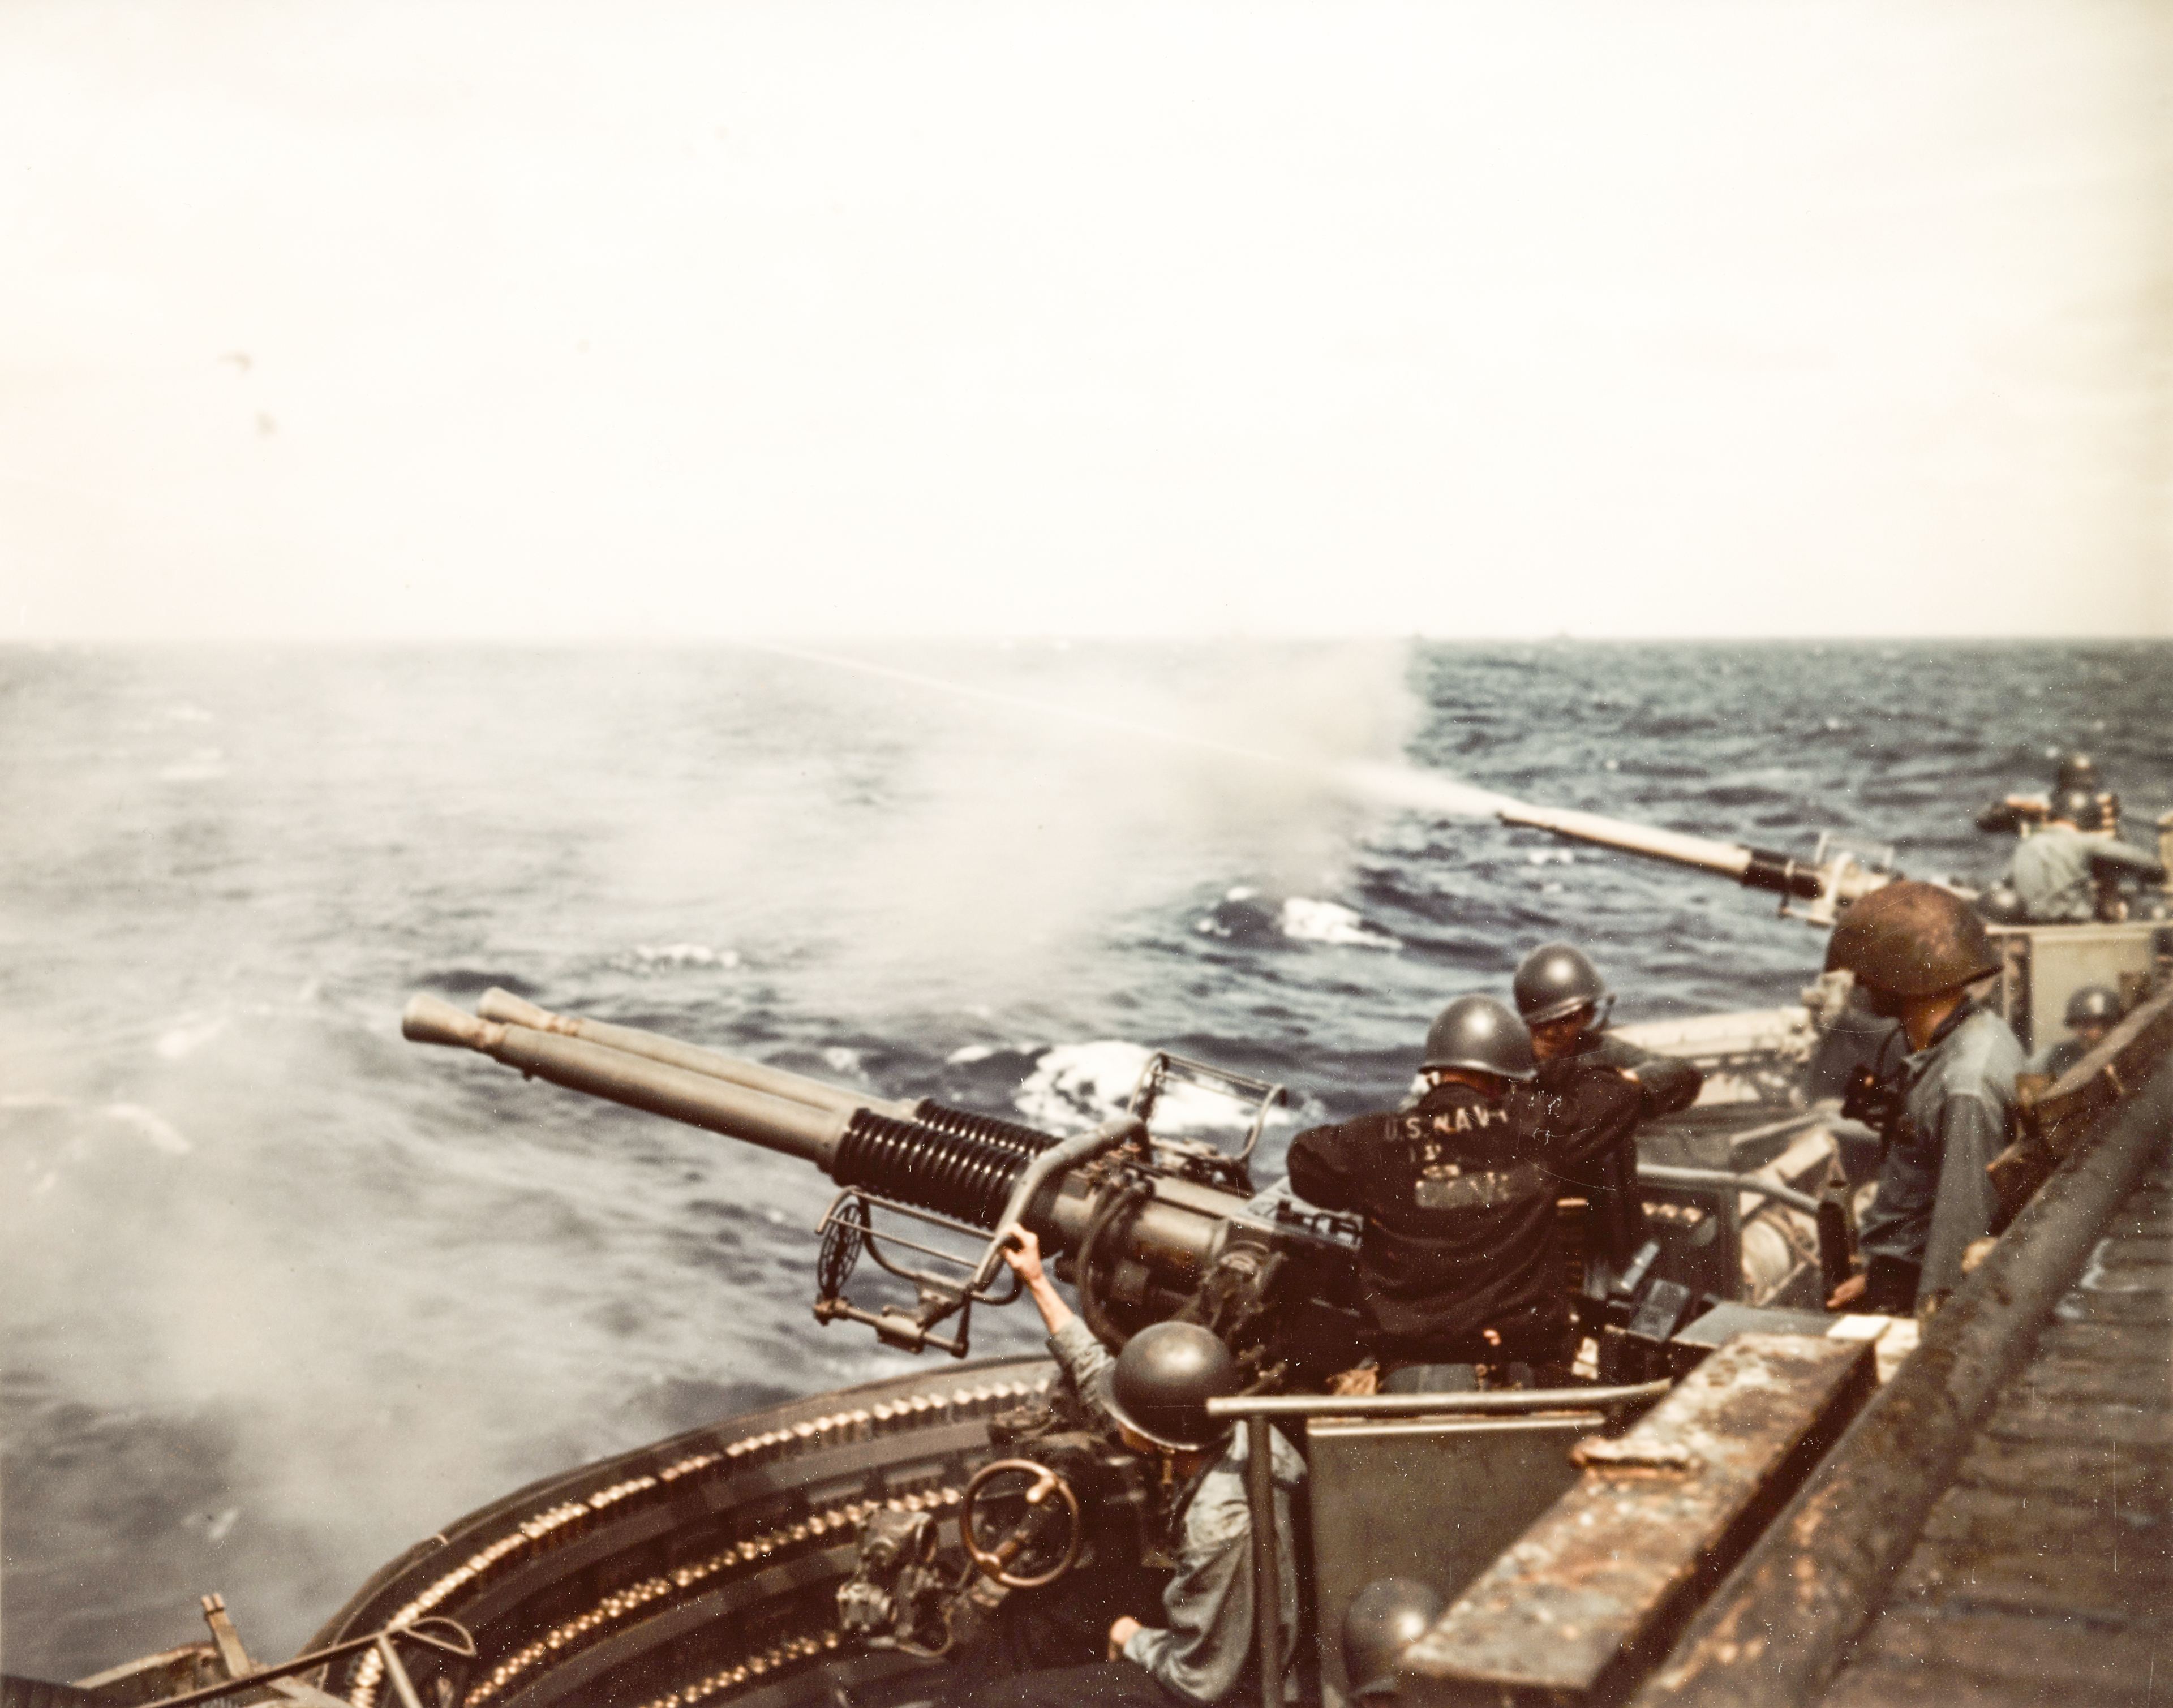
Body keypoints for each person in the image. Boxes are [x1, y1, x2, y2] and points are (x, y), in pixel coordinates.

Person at [959, 1231, 1303, 1708]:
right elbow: (1099, 1374)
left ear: (1159, 1438)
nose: (1114, 1417)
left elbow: (1199, 1680)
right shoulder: (1221, 1425)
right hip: (1229, 1627)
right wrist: (1037, 1280)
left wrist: (1131, 1637)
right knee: (1037, 1613)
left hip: (1237, 1687)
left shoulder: (1219, 1522)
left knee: (1006, 1703)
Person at [1285, 995, 1640, 1392]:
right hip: (1519, 1382)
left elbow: (1305, 1157)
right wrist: (1553, 1071)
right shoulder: (1536, 1124)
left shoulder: (1372, 1144)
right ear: (1503, 1078)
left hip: (1408, 1383)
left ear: (1435, 1072)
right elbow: (1619, 1096)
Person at [1822, 881, 2024, 1318]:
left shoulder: (1966, 1084)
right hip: (1900, 1276)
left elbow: (1962, 1243)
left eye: (1869, 973)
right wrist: (1879, 1275)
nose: (1861, 981)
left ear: (1905, 979)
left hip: (1924, 1298)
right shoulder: (1968, 1040)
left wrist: (1928, 1328)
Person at [1513, 941, 1704, 1285]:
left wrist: (1630, 1086)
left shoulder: (1599, 1053)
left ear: (1586, 1017)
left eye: (1567, 1020)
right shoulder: (1510, 1062)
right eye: (1543, 1023)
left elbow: (1683, 1075)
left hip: (1606, 1228)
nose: (1554, 1032)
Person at [2002, 788, 2166, 922]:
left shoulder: (2025, 846)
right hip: (2073, 928)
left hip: (2031, 928)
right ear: (2089, 821)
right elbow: (2151, 865)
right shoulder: (2084, 842)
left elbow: (2009, 882)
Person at [2025, 985, 2121, 1079]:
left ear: (2110, 1027)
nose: (2081, 1033)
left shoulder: (2122, 1059)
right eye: (2078, 1025)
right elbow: (2026, 1076)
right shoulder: (2055, 1055)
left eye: (2088, 1026)